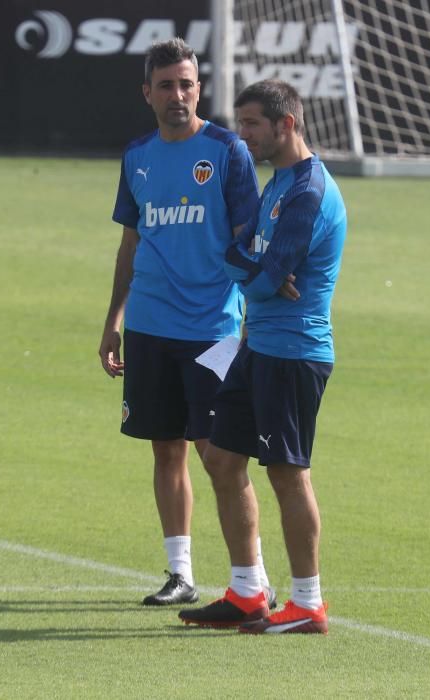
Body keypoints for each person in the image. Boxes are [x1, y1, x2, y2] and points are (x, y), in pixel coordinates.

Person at [99, 38, 275, 607]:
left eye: (188, 84)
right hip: (149, 325)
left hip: (213, 328)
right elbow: (131, 241)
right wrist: (113, 321)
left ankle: (252, 577)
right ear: (146, 92)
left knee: (219, 453)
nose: (179, 95)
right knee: (165, 447)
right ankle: (180, 574)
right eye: (168, 85)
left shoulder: (227, 151)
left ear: (200, 88)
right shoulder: (137, 156)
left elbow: (250, 237)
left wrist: (257, 314)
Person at [179, 79, 347, 633]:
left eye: (251, 124)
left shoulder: (308, 192)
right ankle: (248, 593)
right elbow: (238, 257)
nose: (242, 134)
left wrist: (258, 270)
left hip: (292, 353)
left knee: (286, 473)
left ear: (286, 124)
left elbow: (268, 276)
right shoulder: (278, 184)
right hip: (254, 346)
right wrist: (257, 269)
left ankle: (308, 604)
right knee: (222, 460)